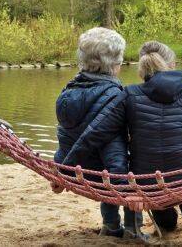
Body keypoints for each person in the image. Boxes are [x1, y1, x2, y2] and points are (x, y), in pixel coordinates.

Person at [62, 41, 182, 231]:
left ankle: (171, 210)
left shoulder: (128, 95)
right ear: (171, 66)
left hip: (148, 186)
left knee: (167, 225)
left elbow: (95, 133)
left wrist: (65, 170)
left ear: (142, 68)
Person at [51, 27, 145, 240]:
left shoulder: (67, 92)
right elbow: (114, 154)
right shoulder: (115, 96)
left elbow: (66, 137)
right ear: (114, 65)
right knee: (135, 167)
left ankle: (110, 225)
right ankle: (133, 228)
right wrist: (126, 192)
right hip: (105, 174)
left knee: (109, 167)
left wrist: (60, 169)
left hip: (76, 169)